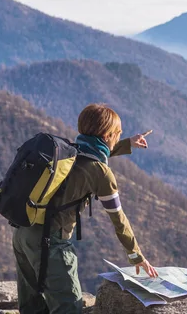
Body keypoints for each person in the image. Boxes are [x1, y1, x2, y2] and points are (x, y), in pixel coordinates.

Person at [12, 103, 159, 314]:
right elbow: (119, 219)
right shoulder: (102, 174)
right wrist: (136, 255)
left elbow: (95, 153)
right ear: (107, 135)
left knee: (32, 308)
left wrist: (128, 143)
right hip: (49, 242)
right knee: (68, 308)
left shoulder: (70, 150)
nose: (118, 136)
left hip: (22, 231)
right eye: (118, 133)